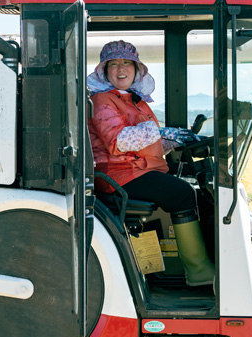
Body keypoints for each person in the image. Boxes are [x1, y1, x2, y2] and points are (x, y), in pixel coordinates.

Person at [87, 40, 215, 286]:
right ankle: (199, 272)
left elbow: (145, 142)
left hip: (137, 169)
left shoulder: (135, 100)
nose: (120, 68)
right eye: (113, 64)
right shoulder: (102, 100)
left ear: (137, 69)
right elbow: (118, 142)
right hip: (119, 175)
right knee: (182, 194)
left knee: (198, 194)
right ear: (104, 71)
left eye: (127, 63)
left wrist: (176, 141)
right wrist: (160, 131)